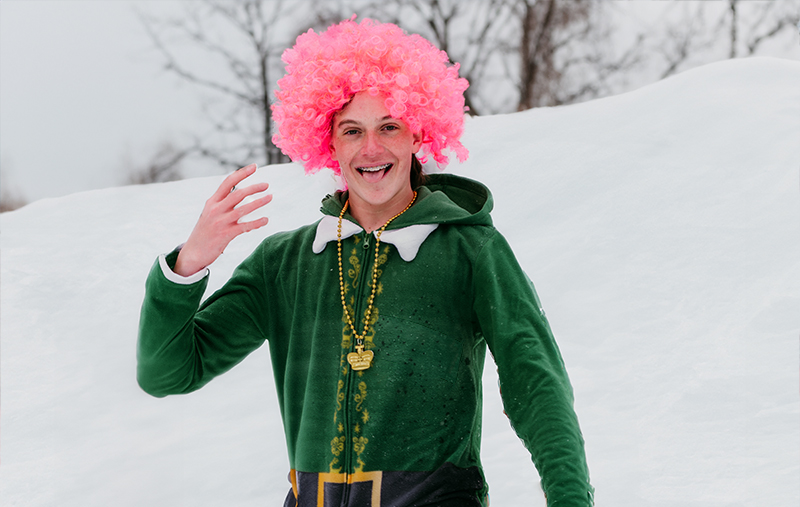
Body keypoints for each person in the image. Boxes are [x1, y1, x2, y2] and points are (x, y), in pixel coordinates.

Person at [137, 18, 594, 507]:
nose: (371, 149)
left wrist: (570, 498)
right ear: (327, 143)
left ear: (418, 134)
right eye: (352, 130)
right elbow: (166, 373)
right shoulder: (284, 264)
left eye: (389, 126)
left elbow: (536, 384)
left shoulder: (471, 251)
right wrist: (189, 265)